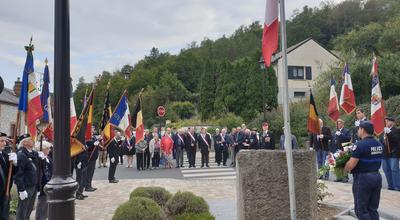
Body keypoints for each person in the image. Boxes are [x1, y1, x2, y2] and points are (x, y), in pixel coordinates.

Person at [345, 121, 383, 219]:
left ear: (362, 130)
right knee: (373, 208)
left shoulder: (360, 145)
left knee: (361, 209)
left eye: (359, 129)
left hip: (363, 179)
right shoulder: (378, 143)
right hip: (376, 177)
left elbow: (351, 165)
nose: (358, 131)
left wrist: (345, 165)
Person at [15, 134, 44, 220]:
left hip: (34, 184)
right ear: (24, 143)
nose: (33, 140)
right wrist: (21, 189)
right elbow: (18, 174)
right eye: (30, 139)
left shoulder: (34, 153)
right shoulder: (21, 155)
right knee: (23, 209)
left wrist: (42, 159)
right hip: (26, 186)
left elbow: (39, 170)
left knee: (29, 208)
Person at [0, 132, 17, 220]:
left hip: (5, 191)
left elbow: (13, 173)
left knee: (4, 215)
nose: (5, 143)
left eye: (5, 141)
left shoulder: (5, 155)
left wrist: (14, 164)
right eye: (1, 141)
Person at [381, 116, 400, 191]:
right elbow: (381, 140)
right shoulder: (384, 131)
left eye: (388, 121)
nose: (386, 122)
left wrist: (389, 133)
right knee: (386, 169)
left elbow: (396, 139)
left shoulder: (397, 130)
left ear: (393, 122)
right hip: (385, 153)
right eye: (385, 121)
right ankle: (391, 186)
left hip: (393, 152)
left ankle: (397, 186)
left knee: (394, 169)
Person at [35, 141, 52, 220]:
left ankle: (44, 217)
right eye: (47, 148)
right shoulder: (39, 158)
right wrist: (40, 160)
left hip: (49, 182)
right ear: (43, 149)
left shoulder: (48, 158)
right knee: (42, 203)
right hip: (42, 183)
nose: (49, 150)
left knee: (46, 204)